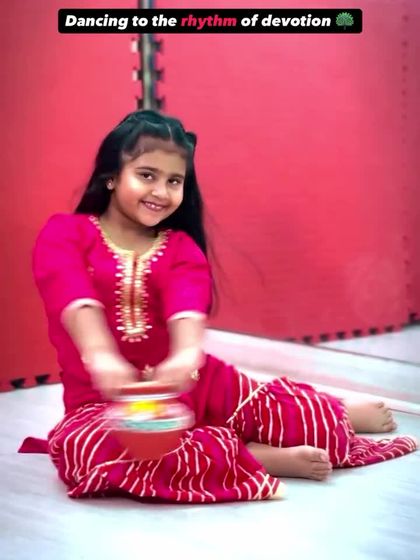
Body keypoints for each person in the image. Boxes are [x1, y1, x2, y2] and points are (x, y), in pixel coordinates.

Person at [20, 110, 417, 504]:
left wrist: (184, 357)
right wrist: (101, 355)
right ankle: (257, 458)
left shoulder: (180, 247)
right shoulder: (64, 234)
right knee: (91, 452)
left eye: (174, 181)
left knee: (306, 423)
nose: (161, 192)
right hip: (102, 406)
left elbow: (186, 308)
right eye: (147, 175)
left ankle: (339, 411)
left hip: (196, 386)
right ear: (111, 175)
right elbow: (73, 297)